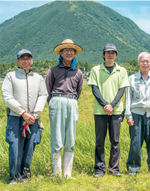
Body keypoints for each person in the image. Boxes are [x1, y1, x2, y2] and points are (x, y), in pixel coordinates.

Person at [2, 49, 48, 184]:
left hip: (33, 119)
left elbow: (43, 95)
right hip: (15, 117)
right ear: (17, 61)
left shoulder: (38, 78)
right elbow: (6, 97)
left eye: (28, 58)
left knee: (29, 148)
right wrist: (23, 112)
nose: (26, 61)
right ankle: (14, 177)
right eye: (22, 58)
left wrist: (34, 114)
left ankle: (25, 175)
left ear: (32, 61)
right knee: (15, 147)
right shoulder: (11, 76)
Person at [88, 43, 130, 178]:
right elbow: (94, 89)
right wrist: (105, 105)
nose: (110, 55)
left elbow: (121, 90)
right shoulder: (96, 70)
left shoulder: (122, 71)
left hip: (116, 110)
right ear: (103, 55)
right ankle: (99, 168)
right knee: (100, 140)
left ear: (116, 55)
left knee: (115, 141)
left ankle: (114, 168)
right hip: (100, 111)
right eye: (108, 53)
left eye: (113, 53)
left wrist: (112, 105)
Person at [45, 39, 83, 177]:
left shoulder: (78, 72)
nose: (69, 52)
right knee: (57, 138)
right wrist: (55, 102)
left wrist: (70, 101)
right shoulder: (53, 70)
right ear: (60, 53)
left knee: (70, 138)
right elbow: (47, 90)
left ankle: (67, 173)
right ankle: (57, 173)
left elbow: (78, 91)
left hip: (72, 102)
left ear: (75, 53)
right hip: (57, 100)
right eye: (66, 50)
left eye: (72, 50)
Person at [125, 52, 150, 176]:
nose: (145, 63)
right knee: (135, 143)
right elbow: (127, 98)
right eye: (142, 61)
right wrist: (128, 115)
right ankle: (133, 168)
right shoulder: (132, 79)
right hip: (136, 114)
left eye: (147, 61)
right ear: (138, 63)